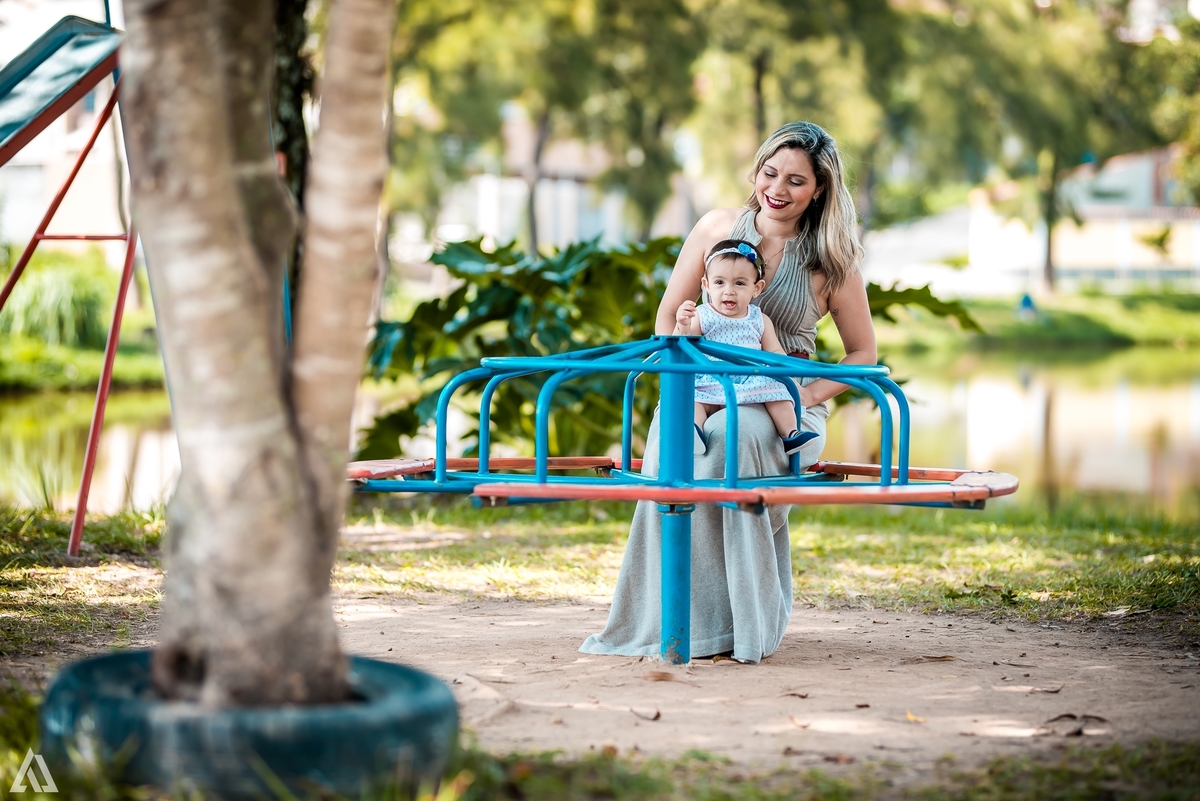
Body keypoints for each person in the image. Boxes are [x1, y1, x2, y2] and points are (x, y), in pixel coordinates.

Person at [580, 121, 877, 664]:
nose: (778, 189)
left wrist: (807, 397)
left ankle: (736, 627)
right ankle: (662, 622)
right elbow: (668, 316)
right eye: (770, 173)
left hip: (777, 397)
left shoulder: (832, 258)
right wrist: (689, 343)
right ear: (756, 171)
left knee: (732, 438)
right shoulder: (717, 227)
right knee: (686, 442)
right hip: (701, 384)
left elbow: (863, 354)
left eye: (796, 180)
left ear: (820, 191)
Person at [674, 238, 815, 456]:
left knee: (778, 393)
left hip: (750, 378)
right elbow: (682, 343)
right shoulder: (703, 314)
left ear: (756, 288)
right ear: (706, 285)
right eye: (720, 282)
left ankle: (791, 434)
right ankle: (692, 432)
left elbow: (775, 352)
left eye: (739, 283)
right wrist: (683, 324)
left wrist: (783, 371)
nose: (729, 291)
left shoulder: (759, 319)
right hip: (712, 378)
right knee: (693, 400)